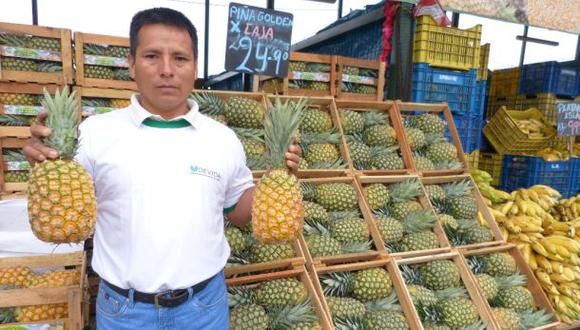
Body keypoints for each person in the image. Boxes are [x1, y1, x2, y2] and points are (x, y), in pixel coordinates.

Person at [24, 7, 300, 330]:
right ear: (131, 64)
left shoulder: (223, 139)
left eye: (180, 59)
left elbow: (238, 211)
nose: (166, 70)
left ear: (195, 67)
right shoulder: (92, 134)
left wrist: (278, 183)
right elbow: (64, 204)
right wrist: (46, 162)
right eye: (152, 56)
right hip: (125, 312)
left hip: (204, 308)